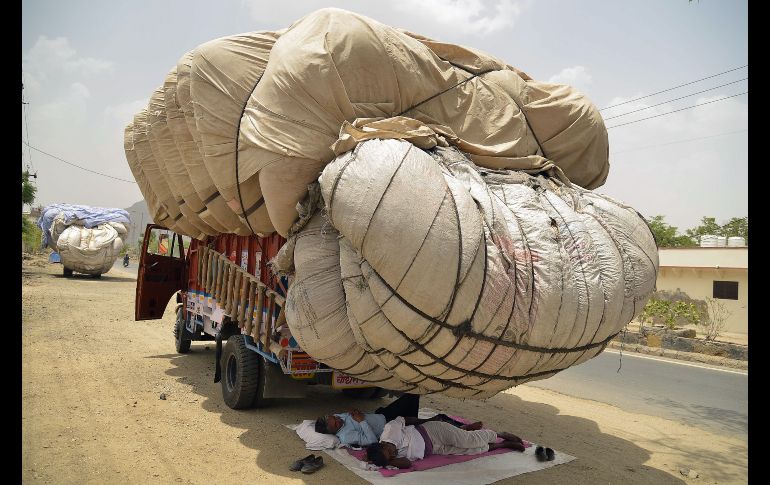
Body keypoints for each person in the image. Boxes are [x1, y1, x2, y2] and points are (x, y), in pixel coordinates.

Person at [365, 416, 525, 469]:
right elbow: (407, 464)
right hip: (435, 449)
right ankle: (503, 445)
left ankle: (498, 434)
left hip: (432, 431)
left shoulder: (390, 430)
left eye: (389, 450)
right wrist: (387, 460)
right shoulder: (390, 458)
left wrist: (429, 419)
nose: (394, 453)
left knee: (468, 441)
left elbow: (405, 419)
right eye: (391, 456)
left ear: (382, 443)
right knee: (472, 450)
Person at [314, 393, 469, 447]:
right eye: (336, 423)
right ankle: (436, 421)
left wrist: (354, 412)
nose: (339, 419)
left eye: (335, 417)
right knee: (410, 419)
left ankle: (424, 421)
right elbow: (372, 441)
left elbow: (345, 415)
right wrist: (361, 421)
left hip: (382, 414)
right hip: (387, 425)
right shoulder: (346, 436)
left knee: (412, 396)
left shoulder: (336, 418)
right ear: (333, 431)